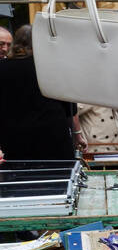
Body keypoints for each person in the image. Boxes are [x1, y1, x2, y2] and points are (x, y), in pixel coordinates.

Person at [0, 25, 76, 161]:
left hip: (16, 142)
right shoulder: (53, 67)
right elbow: (69, 108)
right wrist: (77, 134)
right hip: (54, 140)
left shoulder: (3, 68)